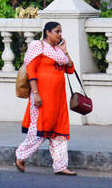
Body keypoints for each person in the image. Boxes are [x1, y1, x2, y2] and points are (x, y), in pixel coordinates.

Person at [14, 21, 78, 176]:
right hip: (42, 97)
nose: (60, 34)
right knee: (39, 131)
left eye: (61, 31)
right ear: (47, 32)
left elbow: (70, 69)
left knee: (59, 132)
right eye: (57, 31)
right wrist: (35, 93)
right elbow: (31, 70)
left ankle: (61, 166)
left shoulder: (58, 51)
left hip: (58, 99)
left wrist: (65, 51)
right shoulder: (38, 47)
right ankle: (20, 155)